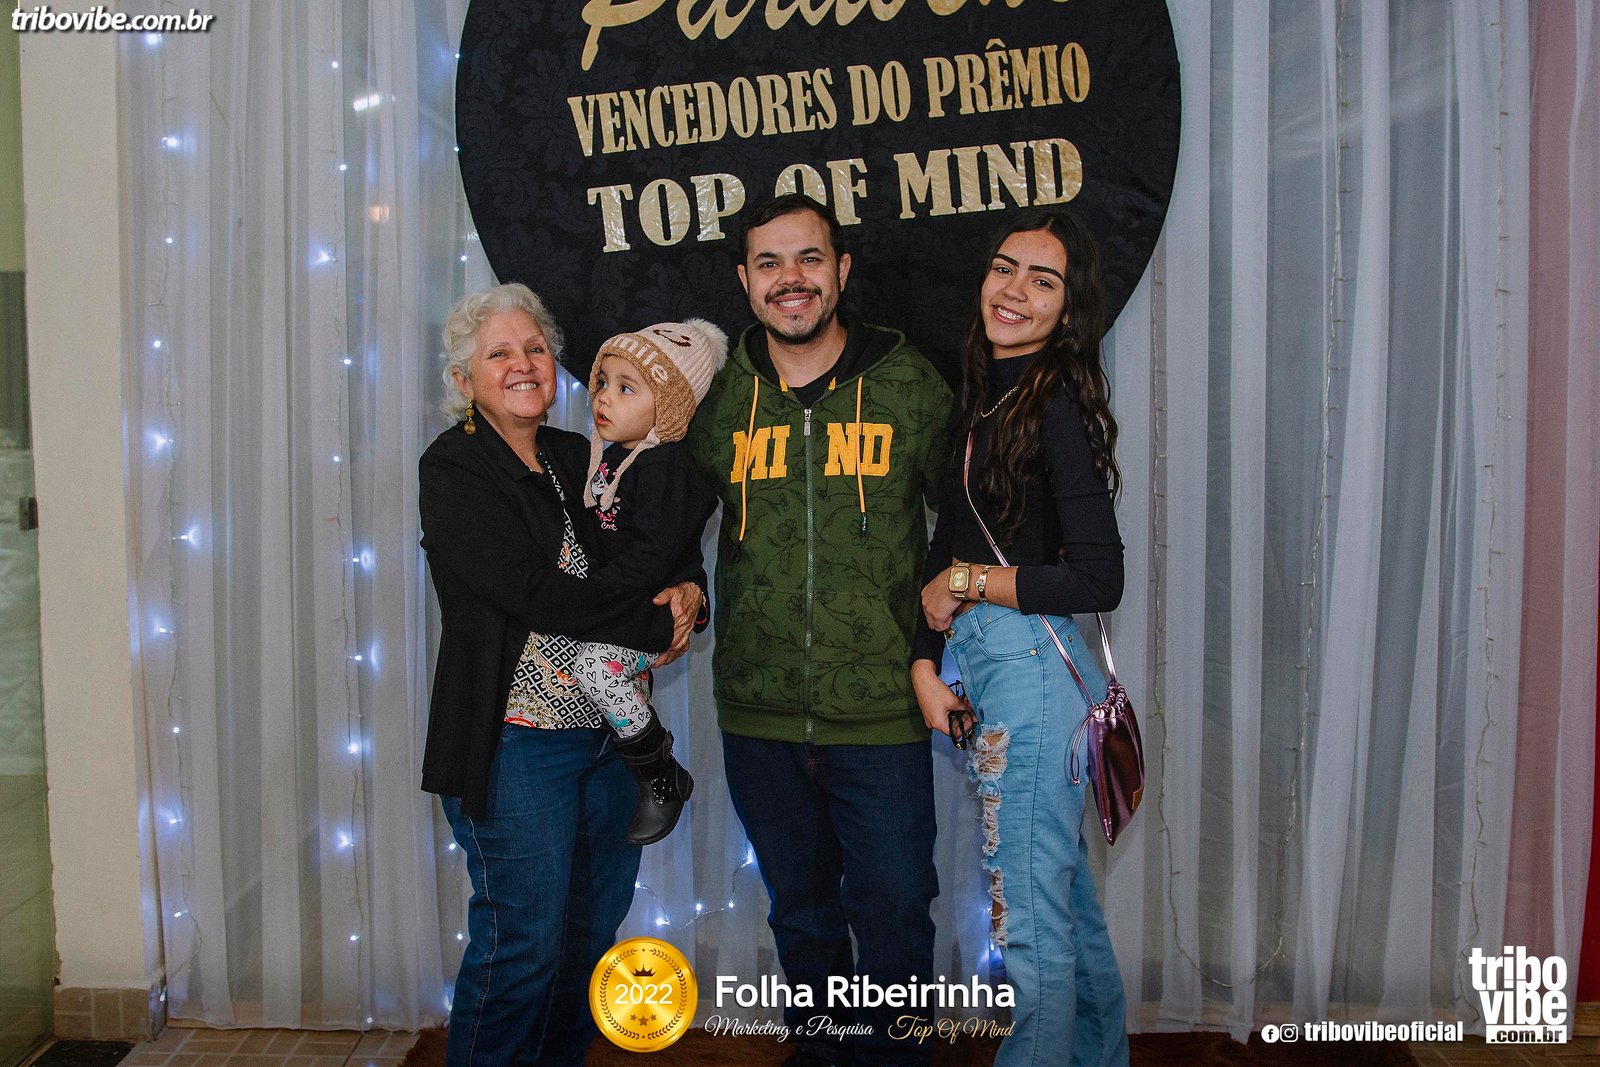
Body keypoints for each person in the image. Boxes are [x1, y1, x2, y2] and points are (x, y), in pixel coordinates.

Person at [687, 193, 953, 1067]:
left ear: (841, 269)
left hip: (881, 708)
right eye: (769, 263)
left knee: (895, 911)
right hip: (758, 707)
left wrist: (940, 640)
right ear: (744, 280)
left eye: (809, 258)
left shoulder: (910, 383)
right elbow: (669, 523)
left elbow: (964, 524)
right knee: (800, 914)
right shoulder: (716, 396)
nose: (790, 279)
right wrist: (682, 588)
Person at [418, 283, 702, 1066]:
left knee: (586, 939)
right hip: (516, 747)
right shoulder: (454, 467)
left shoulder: (580, 455)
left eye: (535, 348)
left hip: (611, 745)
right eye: (499, 353)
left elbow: (661, 543)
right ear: (464, 379)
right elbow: (533, 593)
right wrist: (655, 624)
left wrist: (691, 594)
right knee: (523, 948)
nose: (522, 363)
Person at [911, 209, 1129, 1067]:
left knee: (1032, 926)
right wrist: (924, 663)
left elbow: (1099, 578)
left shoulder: (1056, 405)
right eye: (1005, 268)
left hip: (1033, 673)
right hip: (1000, 669)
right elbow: (947, 536)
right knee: (1062, 905)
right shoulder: (988, 393)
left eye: (1043, 280)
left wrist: (968, 583)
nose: (1014, 290)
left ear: (1070, 309)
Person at [573, 319, 724, 844]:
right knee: (617, 687)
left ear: (668, 409)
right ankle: (643, 775)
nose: (604, 397)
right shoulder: (611, 456)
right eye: (603, 382)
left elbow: (651, 557)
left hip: (653, 608)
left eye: (626, 388)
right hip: (626, 604)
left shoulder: (664, 467)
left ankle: (661, 774)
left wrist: (587, 598)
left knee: (596, 668)